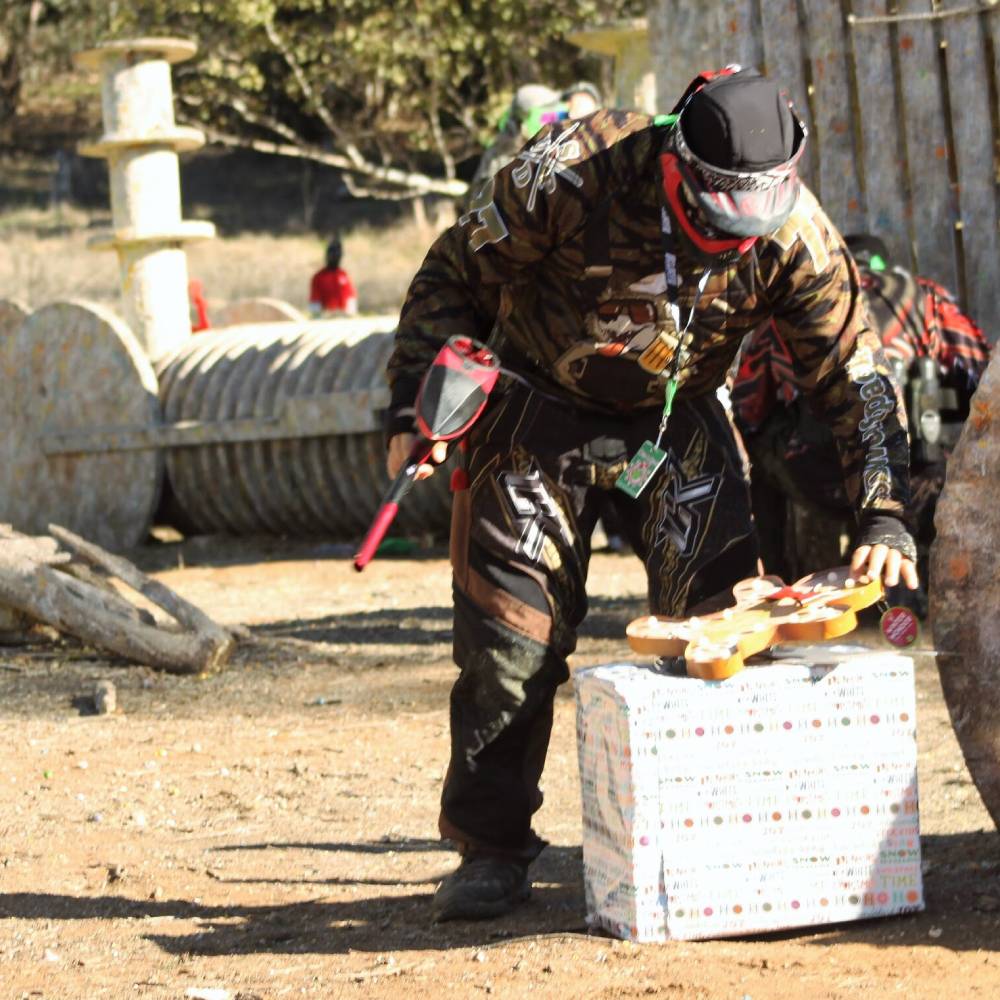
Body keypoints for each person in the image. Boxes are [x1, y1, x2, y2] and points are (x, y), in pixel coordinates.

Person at [384, 66, 918, 923]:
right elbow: (456, 271)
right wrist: (418, 397)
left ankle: (715, 832)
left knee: (724, 630)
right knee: (508, 643)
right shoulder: (570, 170)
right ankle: (492, 849)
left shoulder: (796, 237)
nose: (733, 242)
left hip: (676, 427)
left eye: (753, 225)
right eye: (715, 222)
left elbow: (851, 373)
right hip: (533, 411)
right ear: (679, 166)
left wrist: (883, 510)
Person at [731, 233, 990, 594]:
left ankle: (771, 588)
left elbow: (747, 407)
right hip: (918, 480)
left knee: (752, 450)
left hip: (817, 475)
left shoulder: (797, 297)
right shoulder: (925, 295)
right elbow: (982, 376)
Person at [308, 236, 358, 317]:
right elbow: (315, 303)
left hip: (343, 317)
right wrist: (318, 316)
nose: (335, 257)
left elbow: (350, 299)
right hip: (326, 318)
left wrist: (350, 314)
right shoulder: (319, 277)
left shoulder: (343, 275)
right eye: (332, 255)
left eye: (337, 255)